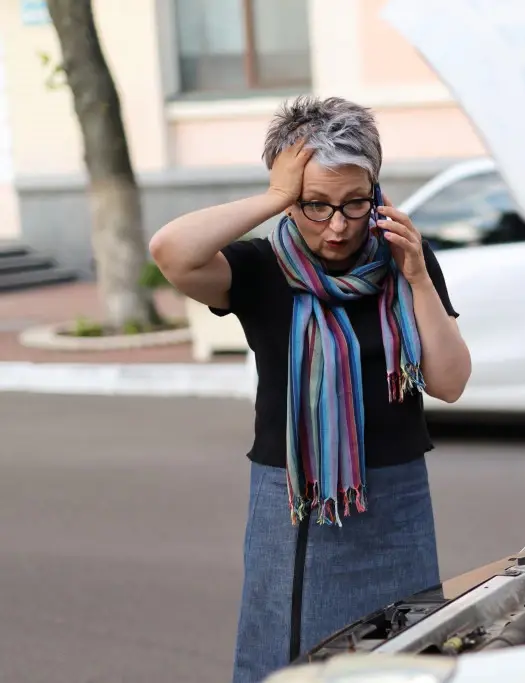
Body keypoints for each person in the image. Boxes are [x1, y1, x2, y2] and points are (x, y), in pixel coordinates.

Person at [149, 95, 472, 682]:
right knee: (294, 655)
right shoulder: (262, 269)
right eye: (315, 206)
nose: (338, 226)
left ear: (376, 191)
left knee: (401, 656)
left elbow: (450, 382)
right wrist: (275, 198)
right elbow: (170, 251)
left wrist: (419, 275)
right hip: (303, 503)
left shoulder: (403, 261)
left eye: (355, 203)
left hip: (398, 501)